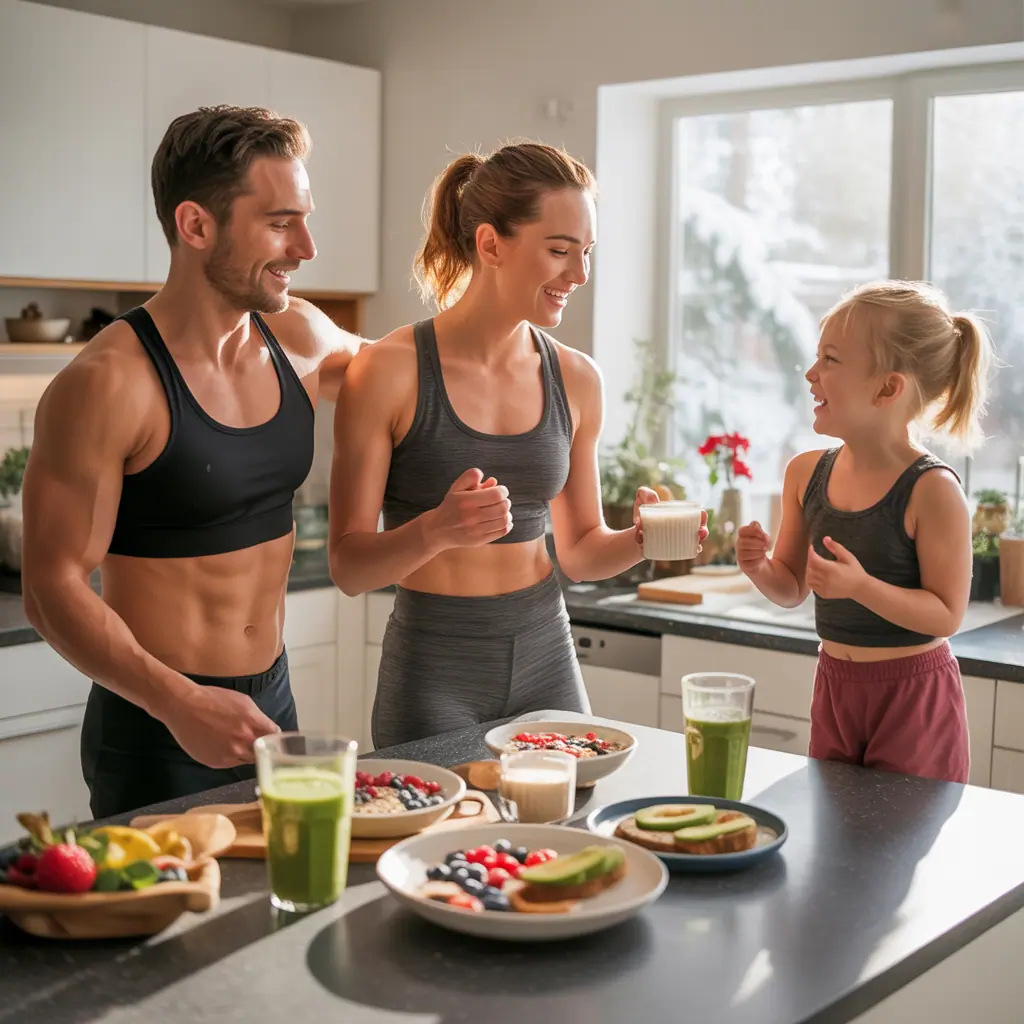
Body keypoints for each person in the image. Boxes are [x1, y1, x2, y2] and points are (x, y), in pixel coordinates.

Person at [20, 105, 367, 817]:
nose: (306, 247)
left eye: (304, 220)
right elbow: (51, 589)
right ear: (196, 226)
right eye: (280, 223)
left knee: (288, 883)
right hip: (157, 725)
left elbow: (419, 384)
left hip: (271, 702)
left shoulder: (299, 337)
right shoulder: (108, 383)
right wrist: (177, 702)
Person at [329, 141, 707, 748]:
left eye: (586, 253)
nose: (579, 275)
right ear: (490, 244)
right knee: (445, 813)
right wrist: (436, 530)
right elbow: (348, 568)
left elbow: (580, 552)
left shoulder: (577, 378)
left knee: (577, 813)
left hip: (546, 654)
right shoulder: (389, 371)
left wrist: (640, 540)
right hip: (434, 668)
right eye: (559, 250)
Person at [736, 280, 994, 783]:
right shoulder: (805, 474)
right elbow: (791, 588)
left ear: (888, 388)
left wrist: (861, 587)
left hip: (913, 696)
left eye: (830, 359)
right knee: (834, 823)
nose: (811, 373)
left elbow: (946, 614)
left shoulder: (933, 490)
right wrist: (759, 568)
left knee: (901, 828)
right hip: (835, 685)